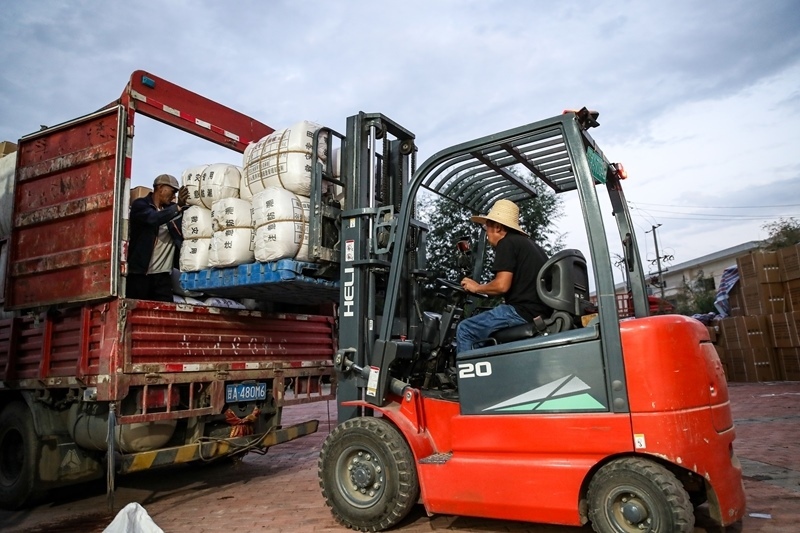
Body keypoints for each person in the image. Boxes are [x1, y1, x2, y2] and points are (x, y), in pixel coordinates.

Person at [456, 199, 550, 353]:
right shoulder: (530, 245)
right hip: (538, 312)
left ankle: (466, 369)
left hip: (521, 312)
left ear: (498, 227)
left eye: (487, 227)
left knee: (465, 329)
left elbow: (501, 286)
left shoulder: (506, 243)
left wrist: (476, 287)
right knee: (482, 338)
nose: (486, 233)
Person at [128, 174, 189, 302]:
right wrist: (177, 207)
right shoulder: (140, 205)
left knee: (166, 311)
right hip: (140, 275)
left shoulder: (171, 209)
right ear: (160, 188)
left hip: (163, 277)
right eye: (173, 191)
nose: (174, 196)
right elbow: (153, 219)